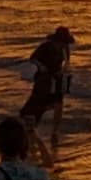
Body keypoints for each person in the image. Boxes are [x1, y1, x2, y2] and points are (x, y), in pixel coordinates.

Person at [20, 26, 73, 163]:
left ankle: (54, 131)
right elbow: (33, 59)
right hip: (44, 79)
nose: (62, 44)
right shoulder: (45, 47)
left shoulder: (65, 48)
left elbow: (66, 63)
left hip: (57, 78)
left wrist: (64, 71)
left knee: (58, 103)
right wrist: (41, 67)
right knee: (38, 104)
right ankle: (31, 130)